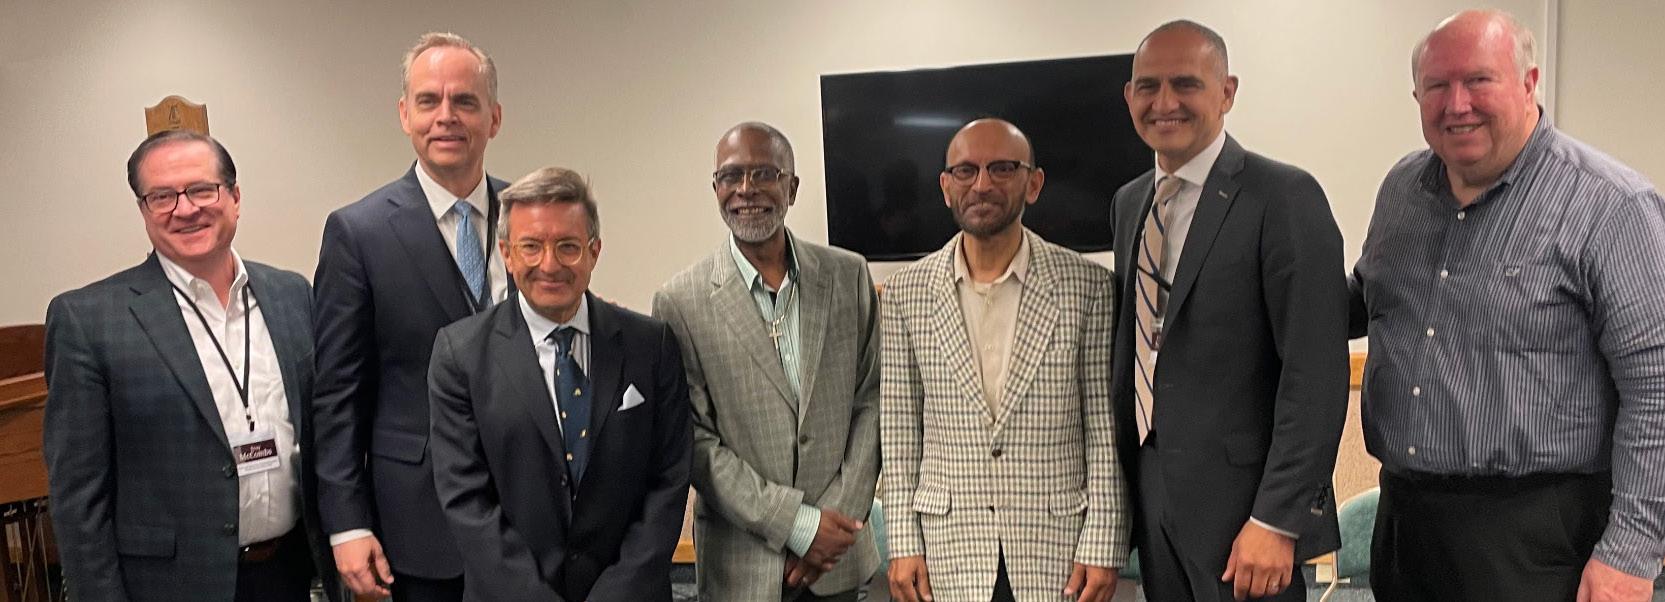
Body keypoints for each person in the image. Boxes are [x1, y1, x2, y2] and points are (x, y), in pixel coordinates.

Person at [1351, 9, 1665, 601]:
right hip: (1406, 527)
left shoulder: (1611, 206)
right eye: (1437, 85)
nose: (1457, 104)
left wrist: (1630, 551)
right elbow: (1368, 297)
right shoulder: (1402, 190)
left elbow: (1656, 388)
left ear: (1528, 83)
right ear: (1416, 96)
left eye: (1478, 80)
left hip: (1539, 540)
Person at [1108, 20, 1350, 602]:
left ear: (1227, 92)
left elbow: (1315, 374)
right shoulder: (1129, 202)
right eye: (1148, 86)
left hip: (1248, 517)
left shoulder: (1284, 197)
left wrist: (1277, 519)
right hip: (1154, 498)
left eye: (1186, 84)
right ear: (1129, 96)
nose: (1164, 102)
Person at [44, 130, 342, 601]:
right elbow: (78, 498)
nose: (185, 209)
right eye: (162, 196)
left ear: (235, 197)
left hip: (290, 574)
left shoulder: (292, 295)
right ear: (143, 210)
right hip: (169, 587)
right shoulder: (88, 320)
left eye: (203, 190)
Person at [881, 118, 1127, 602]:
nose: (982, 184)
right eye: (966, 170)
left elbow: (1103, 427)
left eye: (1002, 168)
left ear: (1033, 183)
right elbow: (899, 427)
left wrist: (1103, 542)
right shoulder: (906, 293)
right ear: (945, 187)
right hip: (947, 549)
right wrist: (903, 543)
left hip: (1057, 549)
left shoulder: (1088, 287)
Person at [427, 166, 692, 601]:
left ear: (594, 251)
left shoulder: (651, 346)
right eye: (531, 246)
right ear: (507, 254)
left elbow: (668, 482)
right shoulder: (461, 356)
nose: (549, 265)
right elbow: (467, 501)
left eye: (567, 246)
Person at [310, 32, 506, 601]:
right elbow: (337, 394)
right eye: (428, 101)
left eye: (464, 101)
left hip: (528, 519)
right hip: (415, 525)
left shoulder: (530, 217)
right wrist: (347, 523)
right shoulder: (358, 233)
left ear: (494, 118)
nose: (446, 116)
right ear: (404, 114)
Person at [652, 122, 881, 601]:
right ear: (716, 188)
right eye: (730, 176)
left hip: (839, 561)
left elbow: (873, 401)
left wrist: (832, 526)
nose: (746, 189)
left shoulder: (848, 275)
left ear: (792, 188)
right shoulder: (680, 301)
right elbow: (695, 440)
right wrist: (798, 525)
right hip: (741, 569)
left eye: (764, 174)